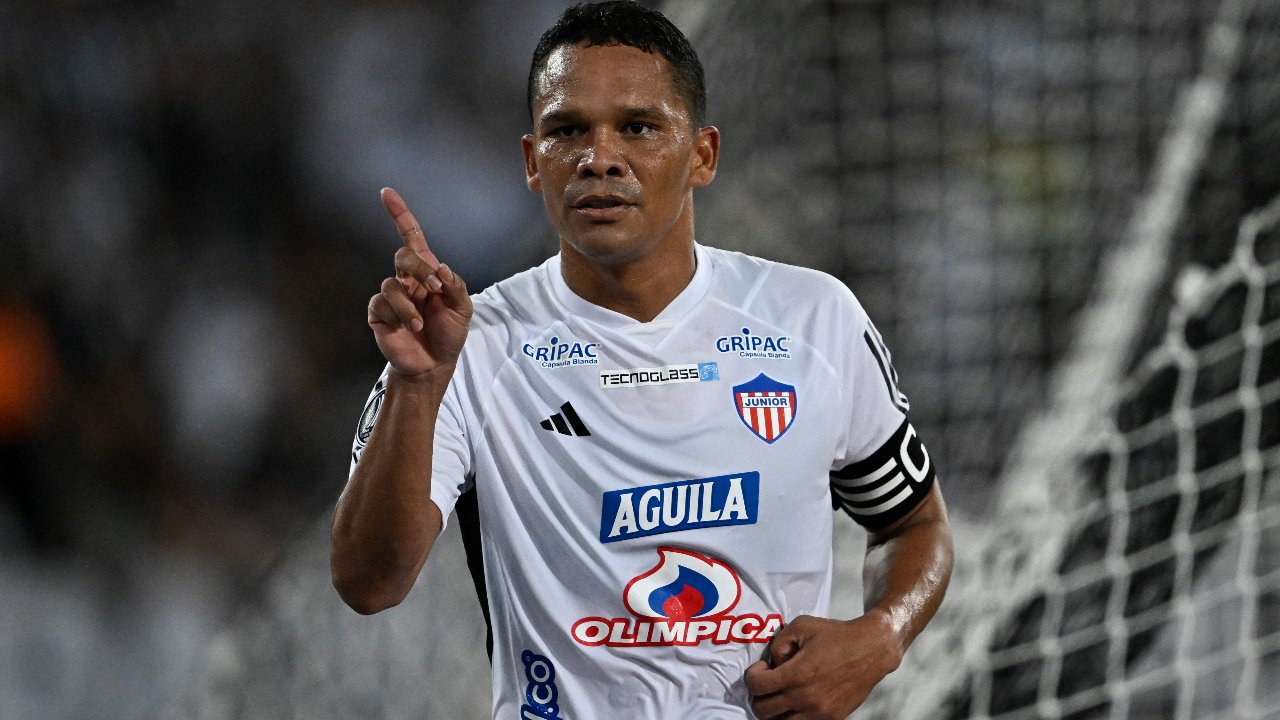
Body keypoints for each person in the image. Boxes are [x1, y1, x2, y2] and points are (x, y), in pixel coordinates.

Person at [330, 2, 953, 718]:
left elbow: (915, 525)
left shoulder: (815, 318)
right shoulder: (466, 344)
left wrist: (883, 634)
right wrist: (417, 384)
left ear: (703, 155)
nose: (600, 157)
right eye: (569, 131)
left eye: (638, 126)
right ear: (535, 163)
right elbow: (367, 584)